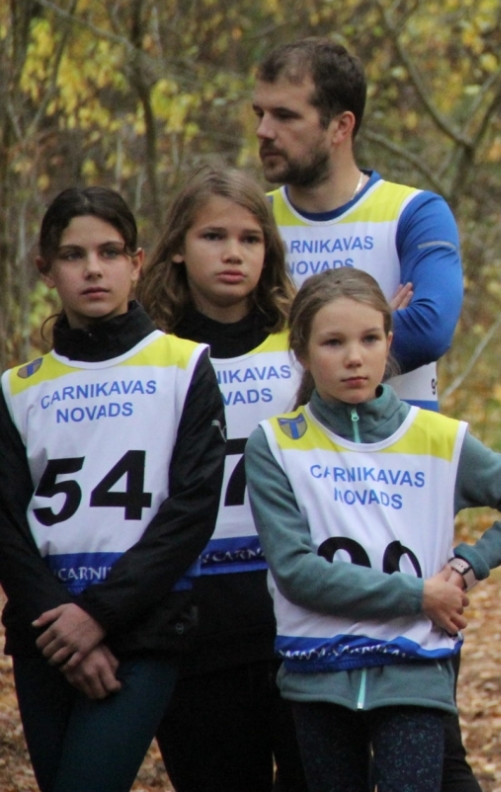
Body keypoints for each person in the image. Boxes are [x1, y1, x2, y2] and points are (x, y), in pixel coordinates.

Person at [244, 267, 501, 792]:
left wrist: (464, 567)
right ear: (301, 351)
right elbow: (297, 573)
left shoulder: (437, 437)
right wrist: (420, 594)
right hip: (317, 674)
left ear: (390, 341)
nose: (353, 357)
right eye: (333, 342)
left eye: (369, 339)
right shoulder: (275, 444)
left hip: (414, 672)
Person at [0, 187, 225, 792]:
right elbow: (7, 525)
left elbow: (193, 508)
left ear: (139, 262)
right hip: (46, 634)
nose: (93, 269)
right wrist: (63, 627)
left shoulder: (184, 366)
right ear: (44, 269)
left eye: (109, 251)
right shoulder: (18, 388)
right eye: (73, 255)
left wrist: (97, 617)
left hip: (144, 625)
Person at [139, 166, 306, 791]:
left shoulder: (303, 349)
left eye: (251, 238)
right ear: (177, 247)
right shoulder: (150, 358)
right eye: (214, 236)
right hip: (195, 630)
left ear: (270, 251)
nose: (234, 253)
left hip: (300, 622)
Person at [251, 37, 463, 412]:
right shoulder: (249, 220)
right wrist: (378, 327)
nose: (263, 131)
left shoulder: (414, 212)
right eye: (260, 114)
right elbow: (207, 334)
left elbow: (429, 330)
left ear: (340, 127)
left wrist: (278, 346)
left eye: (285, 116)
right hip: (282, 453)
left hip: (395, 461)